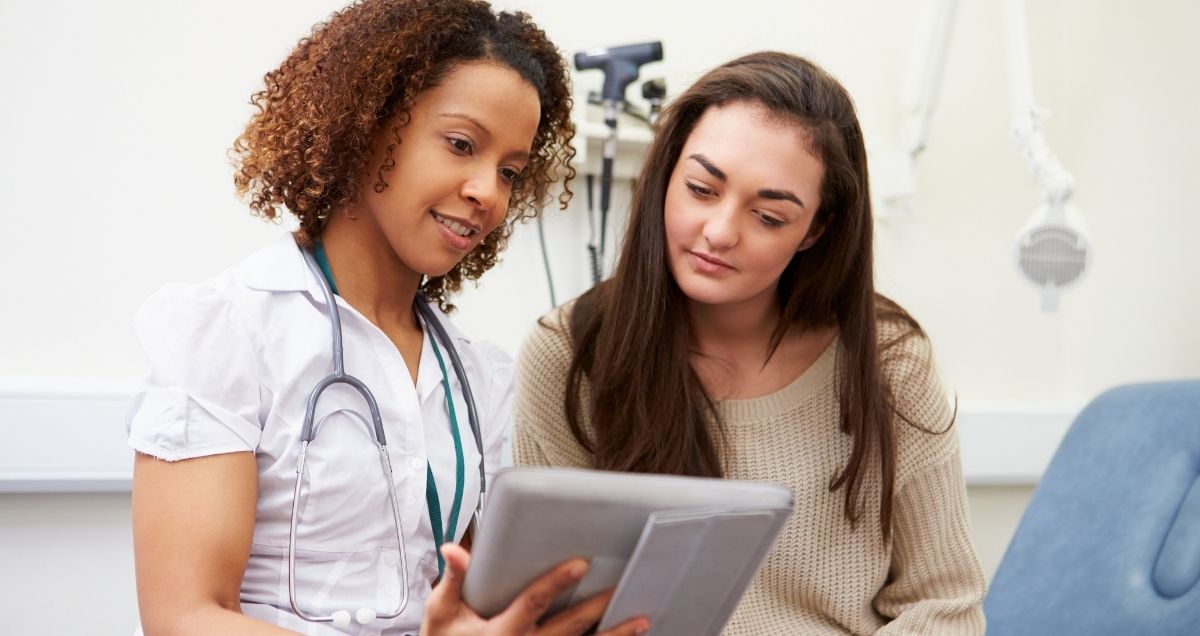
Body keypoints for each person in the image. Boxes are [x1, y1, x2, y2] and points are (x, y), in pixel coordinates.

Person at [126, 1, 648, 634]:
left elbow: (470, 601)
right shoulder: (227, 333)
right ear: (367, 124)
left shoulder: (478, 378)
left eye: (509, 171)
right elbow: (184, 619)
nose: (488, 192)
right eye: (461, 145)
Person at [513, 51, 987, 635]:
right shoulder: (567, 354)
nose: (719, 232)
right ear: (666, 176)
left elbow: (945, 606)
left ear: (816, 230)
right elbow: (549, 610)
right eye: (701, 189)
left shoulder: (890, 365)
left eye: (767, 216)